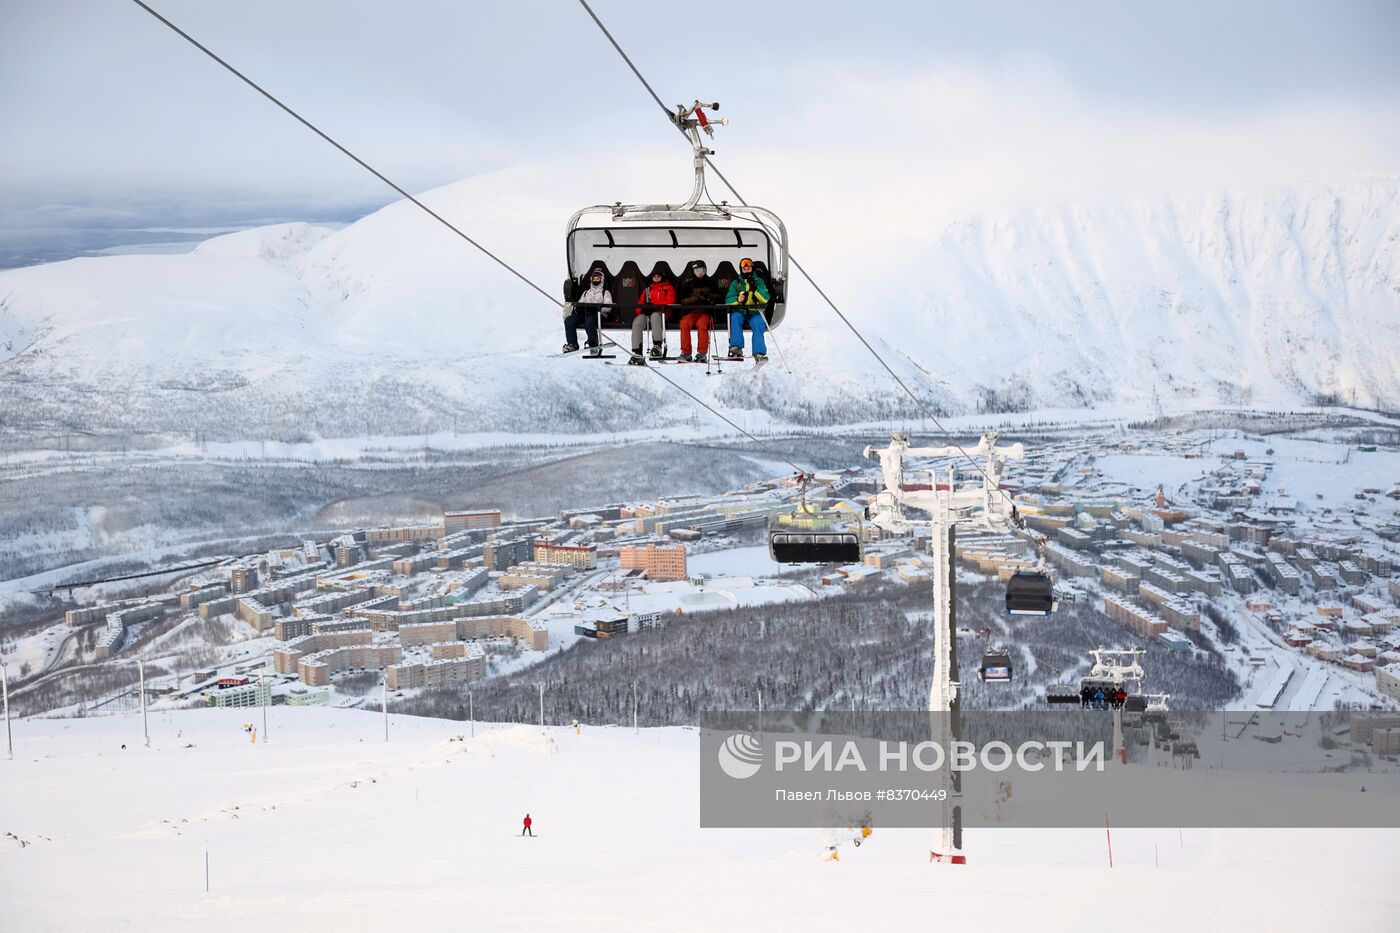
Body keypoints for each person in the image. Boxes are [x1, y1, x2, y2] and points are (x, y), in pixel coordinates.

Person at [725, 257, 770, 361]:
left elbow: (765, 298)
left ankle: (758, 352)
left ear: (752, 269)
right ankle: (736, 348)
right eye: (744, 269)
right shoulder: (736, 283)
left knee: (758, 322)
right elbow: (728, 299)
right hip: (740, 311)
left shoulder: (759, 281)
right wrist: (737, 299)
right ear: (741, 270)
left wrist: (755, 290)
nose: (746, 271)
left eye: (748, 268)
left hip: (755, 311)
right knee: (735, 318)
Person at [677, 260, 720, 362]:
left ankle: (702, 353)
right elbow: (682, 300)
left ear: (705, 270)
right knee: (684, 323)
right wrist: (695, 298)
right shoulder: (689, 284)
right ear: (693, 271)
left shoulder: (711, 282)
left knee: (702, 325)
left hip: (706, 312)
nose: (699, 272)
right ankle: (686, 352)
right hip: (692, 312)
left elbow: (720, 296)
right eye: (697, 270)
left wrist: (708, 296)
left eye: (702, 270)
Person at [630, 270, 676, 364]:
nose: (656, 278)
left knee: (655, 316)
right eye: (654, 276)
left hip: (662, 313)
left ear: (662, 277)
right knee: (637, 321)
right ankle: (637, 352)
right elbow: (640, 303)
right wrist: (642, 309)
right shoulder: (648, 289)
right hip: (648, 313)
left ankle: (657, 346)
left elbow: (670, 301)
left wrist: (654, 306)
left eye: (658, 276)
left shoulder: (668, 288)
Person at [563, 269, 610, 354]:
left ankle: (593, 343)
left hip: (598, 314)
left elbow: (608, 306)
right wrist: (580, 308)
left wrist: (597, 309)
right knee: (569, 320)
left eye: (597, 279)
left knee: (590, 321)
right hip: (584, 313)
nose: (595, 281)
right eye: (594, 279)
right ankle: (572, 344)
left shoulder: (605, 292)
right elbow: (580, 303)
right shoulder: (586, 292)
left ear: (601, 279)